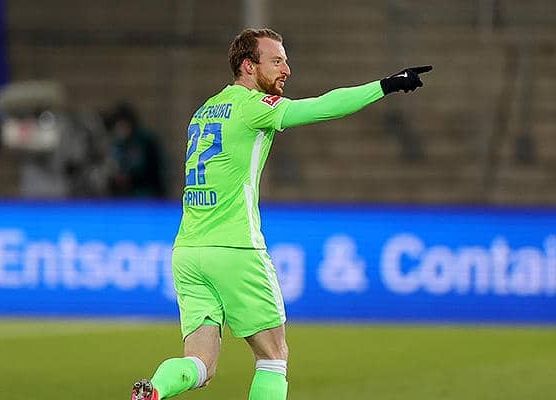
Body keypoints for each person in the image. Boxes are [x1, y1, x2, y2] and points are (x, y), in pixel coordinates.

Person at [130, 28, 431, 400]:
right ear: (248, 66)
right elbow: (323, 106)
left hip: (188, 252)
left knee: (201, 363)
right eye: (276, 61)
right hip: (235, 247)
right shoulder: (252, 106)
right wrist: (385, 85)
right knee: (273, 357)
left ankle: (154, 389)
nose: (286, 69)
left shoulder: (204, 111)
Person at [105, 102, 167, 198]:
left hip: (146, 194)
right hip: (122, 197)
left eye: (123, 124)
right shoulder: (116, 144)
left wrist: (131, 178)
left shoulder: (145, 142)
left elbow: (154, 171)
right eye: (117, 126)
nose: (120, 129)